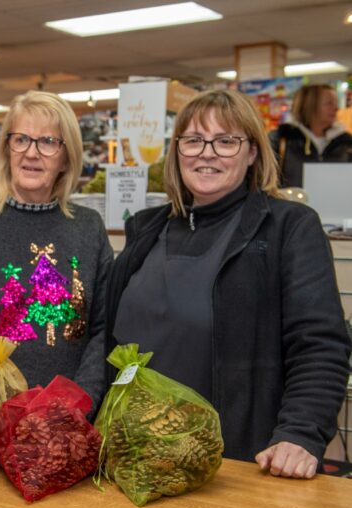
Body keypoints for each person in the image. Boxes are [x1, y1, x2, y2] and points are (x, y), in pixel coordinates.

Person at [105, 89, 351, 479]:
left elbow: (320, 344)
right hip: (135, 458)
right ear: (177, 151)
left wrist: (300, 434)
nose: (207, 152)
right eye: (194, 140)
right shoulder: (146, 230)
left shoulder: (289, 227)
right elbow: (107, 338)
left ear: (252, 152)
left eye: (226, 141)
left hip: (233, 466)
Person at [0, 90, 112, 408]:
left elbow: (103, 329)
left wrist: (78, 402)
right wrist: (4, 403)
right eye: (21, 140)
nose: (31, 153)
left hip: (68, 420)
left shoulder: (89, 227)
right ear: (6, 149)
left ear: (67, 157)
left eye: (48, 142)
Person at [270, 84, 352, 187]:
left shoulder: (346, 142)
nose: (336, 108)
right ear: (310, 105)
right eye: (329, 103)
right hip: (291, 201)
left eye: (336, 103)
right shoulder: (282, 138)